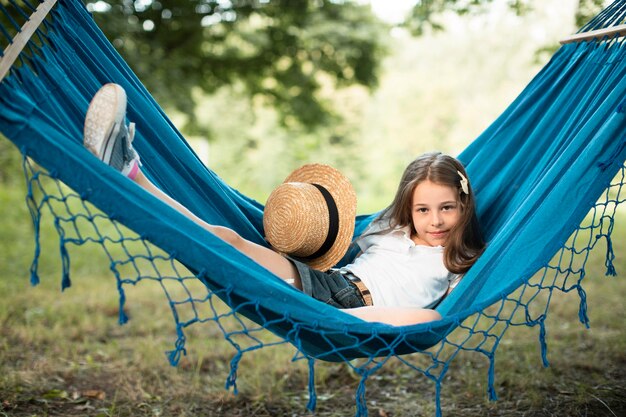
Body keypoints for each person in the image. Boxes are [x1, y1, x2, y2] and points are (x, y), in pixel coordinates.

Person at [83, 83, 485, 326]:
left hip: (356, 312)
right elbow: (339, 235)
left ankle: (131, 175)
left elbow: (454, 299)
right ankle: (133, 177)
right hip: (330, 286)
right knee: (227, 239)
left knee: (430, 319)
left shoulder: (457, 264)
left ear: (463, 206)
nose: (434, 220)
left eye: (447, 208)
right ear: (409, 209)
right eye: (423, 209)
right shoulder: (388, 230)